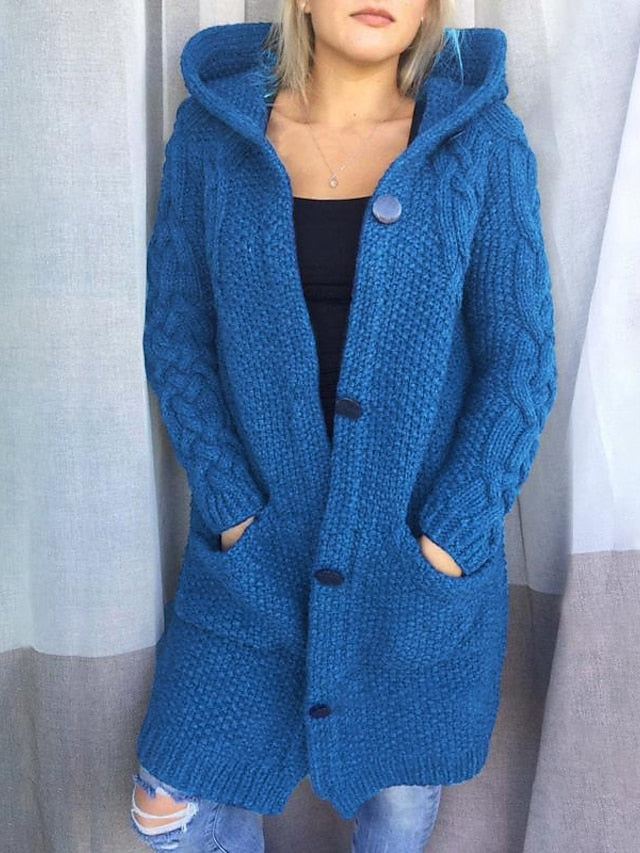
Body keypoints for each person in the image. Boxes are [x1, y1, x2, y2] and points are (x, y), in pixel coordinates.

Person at [129, 1, 557, 850]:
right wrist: (232, 506)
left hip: (412, 572)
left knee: (393, 809)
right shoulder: (214, 137)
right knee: (168, 803)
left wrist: (448, 538)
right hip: (254, 557)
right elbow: (178, 337)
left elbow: (521, 362)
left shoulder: (480, 142)